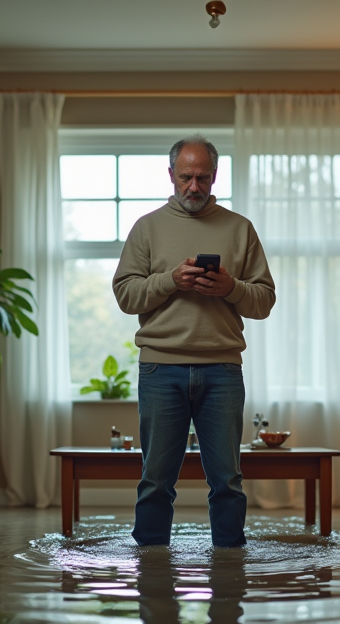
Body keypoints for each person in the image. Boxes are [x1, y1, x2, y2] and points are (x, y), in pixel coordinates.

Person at [112, 135, 276, 548]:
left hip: (222, 370)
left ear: (215, 176)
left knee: (227, 481)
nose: (194, 186)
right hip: (159, 369)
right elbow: (126, 296)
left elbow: (264, 302)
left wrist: (229, 287)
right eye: (186, 177)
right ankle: (149, 568)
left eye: (202, 177)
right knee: (156, 480)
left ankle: (229, 565)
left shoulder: (240, 229)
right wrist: (171, 280)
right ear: (171, 175)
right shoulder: (147, 228)